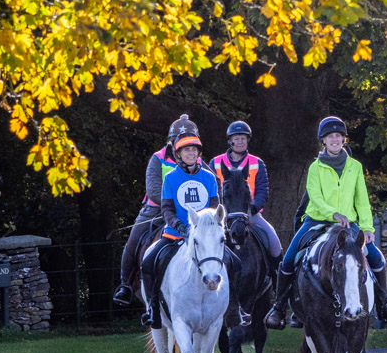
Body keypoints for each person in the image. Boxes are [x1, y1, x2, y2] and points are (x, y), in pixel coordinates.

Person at [264, 116, 387, 328]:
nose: (335, 140)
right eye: (330, 137)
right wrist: (334, 213)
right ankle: (280, 307)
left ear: (344, 140)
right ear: (324, 141)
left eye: (338, 136)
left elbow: (362, 200)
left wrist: (367, 227)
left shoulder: (355, 167)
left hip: (349, 225)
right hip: (316, 221)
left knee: (376, 256)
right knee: (290, 257)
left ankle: (385, 302)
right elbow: (315, 198)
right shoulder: (315, 167)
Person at [139, 132, 222, 328]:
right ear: (179, 155)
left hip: (204, 236)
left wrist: (203, 228)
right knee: (148, 264)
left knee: (233, 262)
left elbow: (214, 205)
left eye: (194, 150)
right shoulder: (170, 178)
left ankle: (234, 309)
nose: (191, 153)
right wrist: (180, 226)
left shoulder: (209, 178)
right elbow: (166, 208)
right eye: (187, 150)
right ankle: (153, 310)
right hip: (175, 234)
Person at [112, 115, 195, 306]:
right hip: (155, 210)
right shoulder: (158, 159)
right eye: (178, 139)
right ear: (171, 140)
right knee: (133, 242)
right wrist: (173, 205)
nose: (182, 143)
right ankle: (125, 285)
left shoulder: (198, 162)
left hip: (189, 214)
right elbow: (153, 189)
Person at [210, 120, 282, 262]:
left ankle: (277, 279)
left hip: (250, 214)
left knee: (275, 245)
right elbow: (212, 189)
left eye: (243, 138)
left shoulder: (257, 163)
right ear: (230, 141)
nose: (240, 142)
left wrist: (252, 208)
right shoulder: (215, 162)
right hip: (222, 215)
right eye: (236, 138)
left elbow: (262, 190)